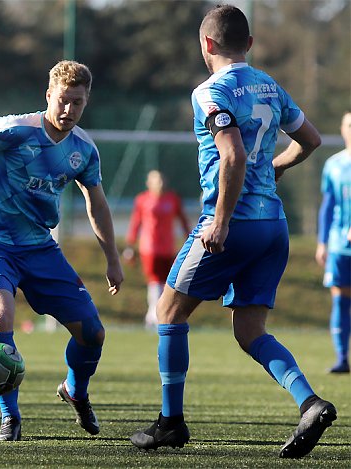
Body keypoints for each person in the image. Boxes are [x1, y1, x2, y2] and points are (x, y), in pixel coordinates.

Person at [130, 6, 336, 459]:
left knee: (168, 312)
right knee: (249, 330)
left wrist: (221, 220)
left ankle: (170, 422)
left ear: (206, 44)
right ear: (250, 44)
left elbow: (233, 155)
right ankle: (310, 403)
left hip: (234, 223)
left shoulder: (210, 91)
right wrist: (276, 167)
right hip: (273, 226)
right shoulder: (270, 85)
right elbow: (311, 140)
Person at [0, 60, 123, 442]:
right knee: (0, 316)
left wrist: (112, 258)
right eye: (62, 100)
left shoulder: (84, 150)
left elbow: (97, 203)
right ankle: (9, 418)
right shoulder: (16, 129)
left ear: (86, 102)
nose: (68, 109)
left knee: (93, 333)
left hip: (40, 249)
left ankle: (75, 391)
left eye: (77, 103)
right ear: (48, 95)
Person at [123, 170, 189, 328]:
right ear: (149, 183)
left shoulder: (173, 199)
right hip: (150, 247)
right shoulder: (143, 199)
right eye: (156, 180)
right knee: (154, 282)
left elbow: (183, 220)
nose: (160, 183)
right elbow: (136, 223)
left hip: (168, 247)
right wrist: (130, 245)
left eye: (162, 180)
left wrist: (190, 239)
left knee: (168, 283)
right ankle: (153, 315)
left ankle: (161, 314)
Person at [316, 110, 351, 374]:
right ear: (341, 129)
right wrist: (322, 242)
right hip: (340, 245)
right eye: (349, 125)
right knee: (340, 300)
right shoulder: (334, 164)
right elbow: (327, 206)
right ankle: (341, 358)